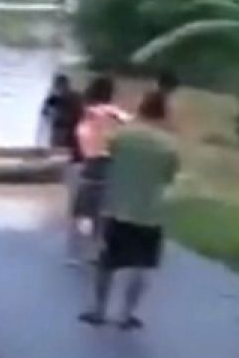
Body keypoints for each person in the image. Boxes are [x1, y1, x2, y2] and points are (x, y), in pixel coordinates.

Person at [80, 91, 179, 329]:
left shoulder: (122, 136)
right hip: (151, 212)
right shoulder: (169, 145)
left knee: (108, 263)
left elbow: (106, 156)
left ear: (142, 107)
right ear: (164, 112)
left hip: (119, 207)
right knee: (142, 266)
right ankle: (127, 314)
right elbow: (169, 177)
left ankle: (99, 310)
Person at [69, 75, 130, 264]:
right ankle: (96, 248)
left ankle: (85, 249)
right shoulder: (104, 111)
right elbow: (128, 120)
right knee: (97, 207)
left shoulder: (90, 111)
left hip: (92, 161)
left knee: (85, 208)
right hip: (103, 161)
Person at [39, 73, 84, 153]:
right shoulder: (53, 99)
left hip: (68, 132)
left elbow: (45, 115)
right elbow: (44, 115)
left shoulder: (56, 99)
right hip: (63, 131)